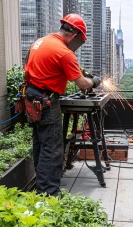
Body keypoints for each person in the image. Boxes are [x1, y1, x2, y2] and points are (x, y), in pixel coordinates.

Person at [24, 14, 101, 196]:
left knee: (41, 145)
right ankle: (49, 195)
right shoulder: (65, 52)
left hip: (32, 97)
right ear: (75, 35)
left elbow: (42, 68)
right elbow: (82, 83)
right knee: (51, 149)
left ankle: (41, 189)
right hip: (47, 102)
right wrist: (94, 81)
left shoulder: (41, 42)